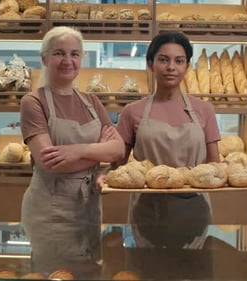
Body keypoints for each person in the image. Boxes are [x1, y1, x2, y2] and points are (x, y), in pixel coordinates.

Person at [19, 26, 125, 275]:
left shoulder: (92, 101)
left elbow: (118, 149)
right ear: (44, 58)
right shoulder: (33, 102)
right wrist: (99, 152)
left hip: (89, 208)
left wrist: (77, 151)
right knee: (56, 275)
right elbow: (50, 162)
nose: (68, 61)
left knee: (89, 274)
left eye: (75, 54)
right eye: (59, 53)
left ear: (82, 59)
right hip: (51, 212)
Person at [109, 32, 221, 249]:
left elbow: (215, 163)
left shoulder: (204, 110)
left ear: (187, 66)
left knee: (192, 271)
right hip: (148, 211)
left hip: (194, 209)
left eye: (179, 61)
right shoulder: (133, 111)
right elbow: (118, 165)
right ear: (150, 64)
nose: (171, 67)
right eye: (163, 60)